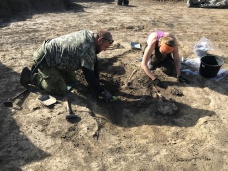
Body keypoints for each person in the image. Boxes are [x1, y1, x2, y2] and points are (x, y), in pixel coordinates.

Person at [20, 30, 115, 102]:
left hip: (58, 57)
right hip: (45, 59)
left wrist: (96, 78)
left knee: (72, 81)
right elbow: (89, 77)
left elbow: (94, 58)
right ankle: (32, 76)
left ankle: (48, 72)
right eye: (105, 47)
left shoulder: (91, 35)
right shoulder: (87, 49)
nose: (105, 50)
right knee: (60, 90)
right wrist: (102, 91)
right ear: (100, 40)